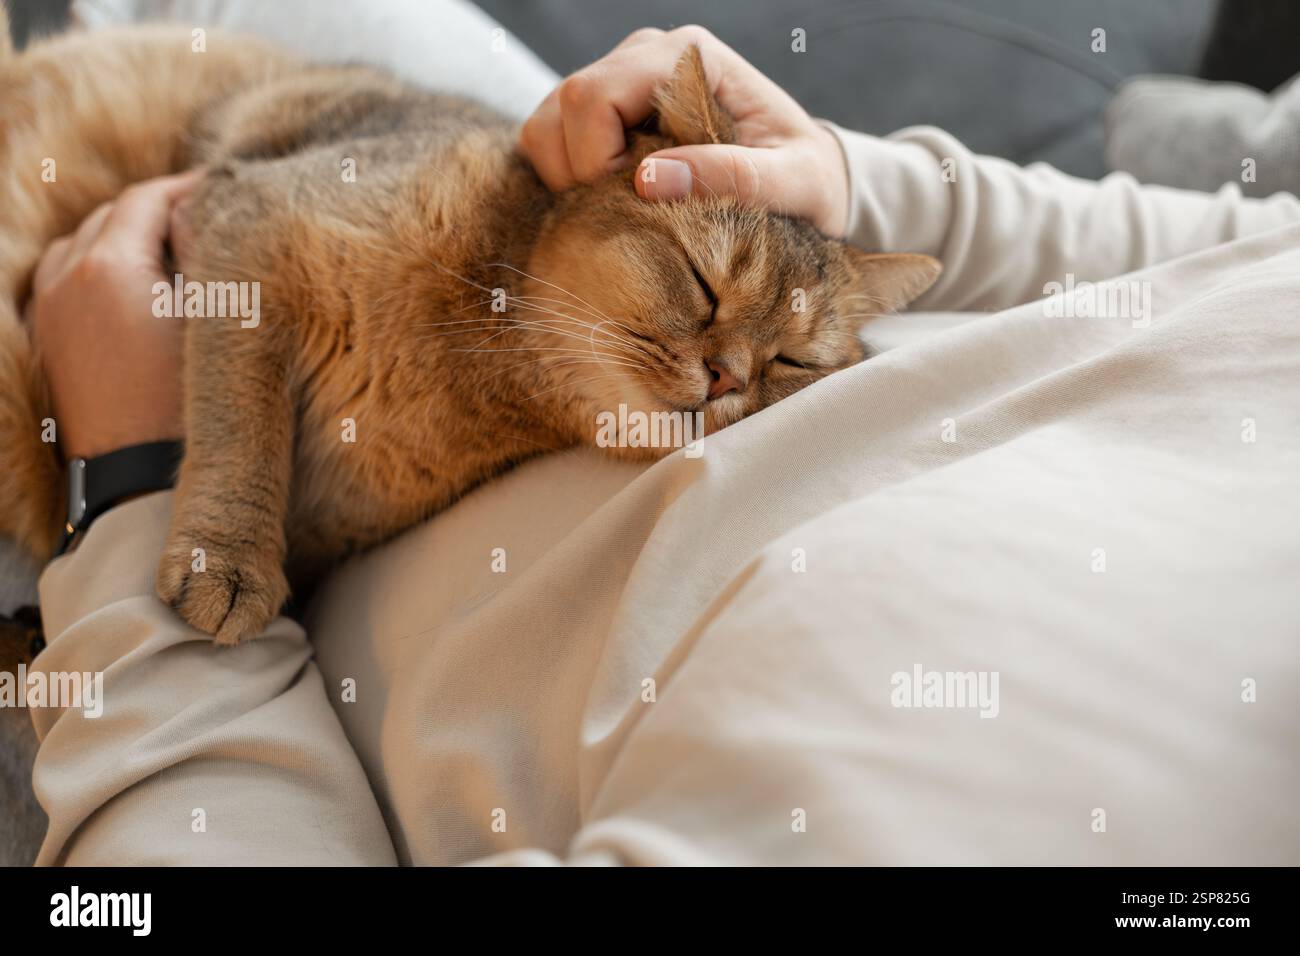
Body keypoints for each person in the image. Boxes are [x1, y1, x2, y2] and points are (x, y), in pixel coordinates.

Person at [25, 27, 1300, 865]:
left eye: (785, 361)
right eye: (706, 310)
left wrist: (128, 488)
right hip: (270, 204)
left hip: (158, 613)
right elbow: (1241, 234)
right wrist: (834, 179)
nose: (729, 376)